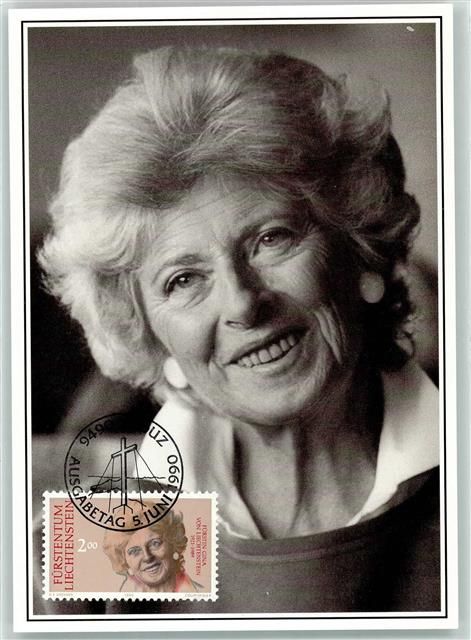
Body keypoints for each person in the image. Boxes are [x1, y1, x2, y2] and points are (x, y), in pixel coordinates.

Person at [38, 47, 439, 613]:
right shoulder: (109, 531)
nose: (244, 304)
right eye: (183, 279)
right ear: (151, 336)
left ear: (361, 254)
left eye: (271, 239)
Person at [103, 506, 203, 593]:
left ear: (173, 543)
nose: (147, 557)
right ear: (124, 560)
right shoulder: (123, 598)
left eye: (155, 544)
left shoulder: (199, 594)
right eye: (135, 551)